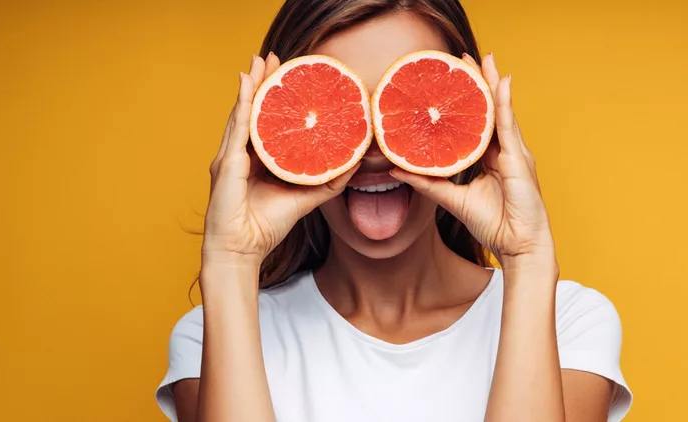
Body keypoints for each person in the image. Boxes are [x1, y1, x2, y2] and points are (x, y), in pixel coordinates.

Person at [155, 0, 633, 421]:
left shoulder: (567, 322)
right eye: (343, 105)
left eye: (407, 102)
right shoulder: (208, 337)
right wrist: (230, 261)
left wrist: (528, 259)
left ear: (468, 111)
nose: (376, 148)